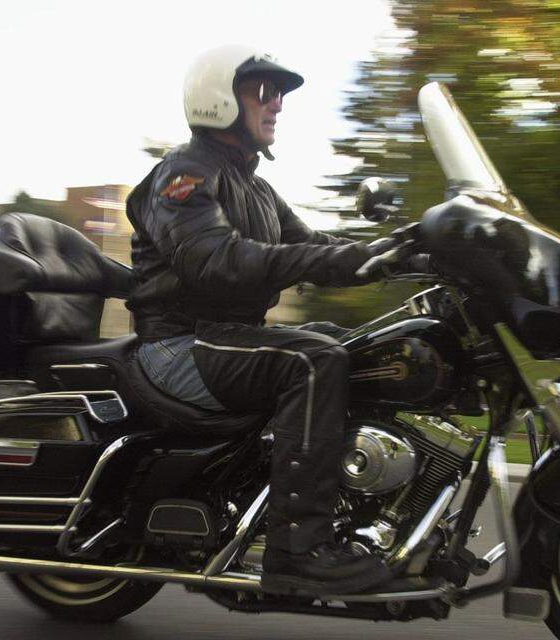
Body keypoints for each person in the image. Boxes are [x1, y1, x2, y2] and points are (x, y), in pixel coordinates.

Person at [124, 45, 391, 595]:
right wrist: (337, 258)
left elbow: (316, 248)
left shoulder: (258, 189)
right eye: (263, 93)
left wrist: (403, 251)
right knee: (313, 361)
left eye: (280, 96)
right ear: (219, 99)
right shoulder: (183, 175)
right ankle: (297, 547)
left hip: (229, 341)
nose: (277, 106)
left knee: (356, 345)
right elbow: (216, 259)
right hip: (178, 346)